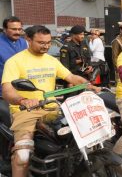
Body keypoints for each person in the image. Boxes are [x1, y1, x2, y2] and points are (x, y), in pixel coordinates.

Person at [1, 25, 99, 177]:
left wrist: (88, 84)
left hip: (53, 108)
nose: (46, 46)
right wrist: (23, 100)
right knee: (23, 155)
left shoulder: (51, 60)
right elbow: (7, 90)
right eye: (41, 42)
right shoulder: (15, 61)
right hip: (26, 111)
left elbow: (71, 77)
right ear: (28, 39)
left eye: (48, 42)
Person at [0, 17, 28, 128]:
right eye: (13, 29)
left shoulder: (24, 43)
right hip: (3, 94)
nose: (17, 32)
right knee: (8, 126)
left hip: (24, 93)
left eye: (19, 29)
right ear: (5, 29)